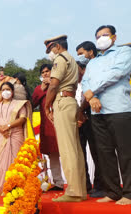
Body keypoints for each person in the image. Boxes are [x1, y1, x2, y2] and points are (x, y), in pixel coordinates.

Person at [82, 25, 131, 205]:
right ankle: (113, 191)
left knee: (125, 153)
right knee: (104, 152)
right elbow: (86, 81)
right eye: (98, 36)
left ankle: (129, 192)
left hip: (119, 109)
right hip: (97, 111)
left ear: (114, 37)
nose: (101, 38)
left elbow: (117, 74)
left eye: (105, 35)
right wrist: (92, 96)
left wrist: (92, 91)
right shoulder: (93, 62)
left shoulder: (123, 52)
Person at [44, 35, 87, 202]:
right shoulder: (73, 61)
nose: (50, 53)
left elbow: (54, 84)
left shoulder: (61, 59)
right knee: (75, 148)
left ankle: (74, 192)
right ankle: (80, 190)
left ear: (56, 46)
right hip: (71, 101)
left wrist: (47, 105)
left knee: (67, 149)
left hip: (62, 101)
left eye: (50, 49)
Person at [0, 82, 32, 196]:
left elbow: (22, 119)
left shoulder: (19, 104)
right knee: (1, 160)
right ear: (0, 92)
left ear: (12, 92)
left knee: (15, 160)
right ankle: (2, 185)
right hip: (1, 136)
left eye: (8, 89)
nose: (5, 92)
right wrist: (1, 129)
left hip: (15, 135)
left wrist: (7, 126)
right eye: (3, 90)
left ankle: (17, 185)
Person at [76, 41, 104, 198]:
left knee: (97, 153)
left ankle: (100, 185)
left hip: (92, 117)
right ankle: (85, 184)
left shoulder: (93, 74)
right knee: (80, 154)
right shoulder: (74, 83)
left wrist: (81, 112)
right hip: (78, 121)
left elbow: (89, 96)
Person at [32, 64, 64, 191]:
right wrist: (42, 88)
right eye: (43, 72)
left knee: (68, 153)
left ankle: (76, 182)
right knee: (53, 155)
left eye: (47, 71)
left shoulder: (59, 84)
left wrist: (52, 85)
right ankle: (58, 183)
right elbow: (33, 103)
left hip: (61, 123)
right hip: (48, 126)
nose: (45, 74)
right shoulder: (39, 88)